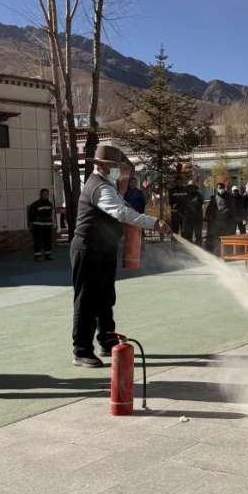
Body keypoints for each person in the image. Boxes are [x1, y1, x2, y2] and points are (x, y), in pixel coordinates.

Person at [70, 144, 170, 368]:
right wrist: (153, 222)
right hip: (89, 249)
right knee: (86, 300)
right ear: (103, 166)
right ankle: (81, 351)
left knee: (105, 298)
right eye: (115, 166)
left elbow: (124, 207)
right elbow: (121, 212)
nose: (119, 171)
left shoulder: (107, 185)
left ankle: (107, 341)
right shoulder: (100, 187)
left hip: (104, 248)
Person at [204, 182, 236, 255]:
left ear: (224, 188)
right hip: (217, 222)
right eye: (219, 188)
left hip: (227, 221)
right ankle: (218, 252)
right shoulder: (215, 197)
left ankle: (228, 252)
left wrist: (223, 214)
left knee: (226, 237)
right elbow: (212, 209)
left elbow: (232, 208)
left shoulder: (229, 197)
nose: (220, 189)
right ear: (217, 188)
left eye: (222, 187)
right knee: (217, 237)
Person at [27, 188, 55, 261]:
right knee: (38, 241)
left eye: (47, 194)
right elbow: (31, 215)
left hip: (48, 225)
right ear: (40, 195)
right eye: (44, 194)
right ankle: (38, 255)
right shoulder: (35, 204)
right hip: (38, 226)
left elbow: (50, 215)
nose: (45, 195)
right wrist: (33, 224)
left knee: (48, 240)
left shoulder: (50, 204)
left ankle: (47, 254)